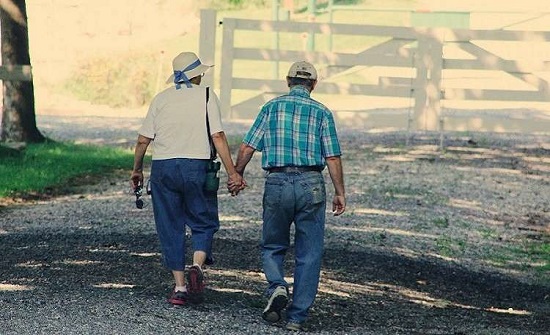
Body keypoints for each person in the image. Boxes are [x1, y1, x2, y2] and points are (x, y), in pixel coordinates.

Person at [234, 61, 346, 331]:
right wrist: (340, 192)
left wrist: (236, 174)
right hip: (311, 183)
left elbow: (248, 146)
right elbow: (332, 156)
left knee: (273, 244)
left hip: (278, 181)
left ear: (288, 81)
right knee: (310, 251)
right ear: (314, 85)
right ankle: (297, 317)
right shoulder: (322, 112)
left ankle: (277, 286)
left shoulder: (270, 108)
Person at [131, 51, 243, 306]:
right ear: (197, 75)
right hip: (197, 166)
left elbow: (142, 140)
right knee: (203, 220)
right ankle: (197, 265)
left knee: (170, 225)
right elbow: (218, 136)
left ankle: (180, 287)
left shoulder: (160, 99)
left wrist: (137, 169)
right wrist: (232, 172)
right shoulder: (206, 96)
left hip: (164, 169)